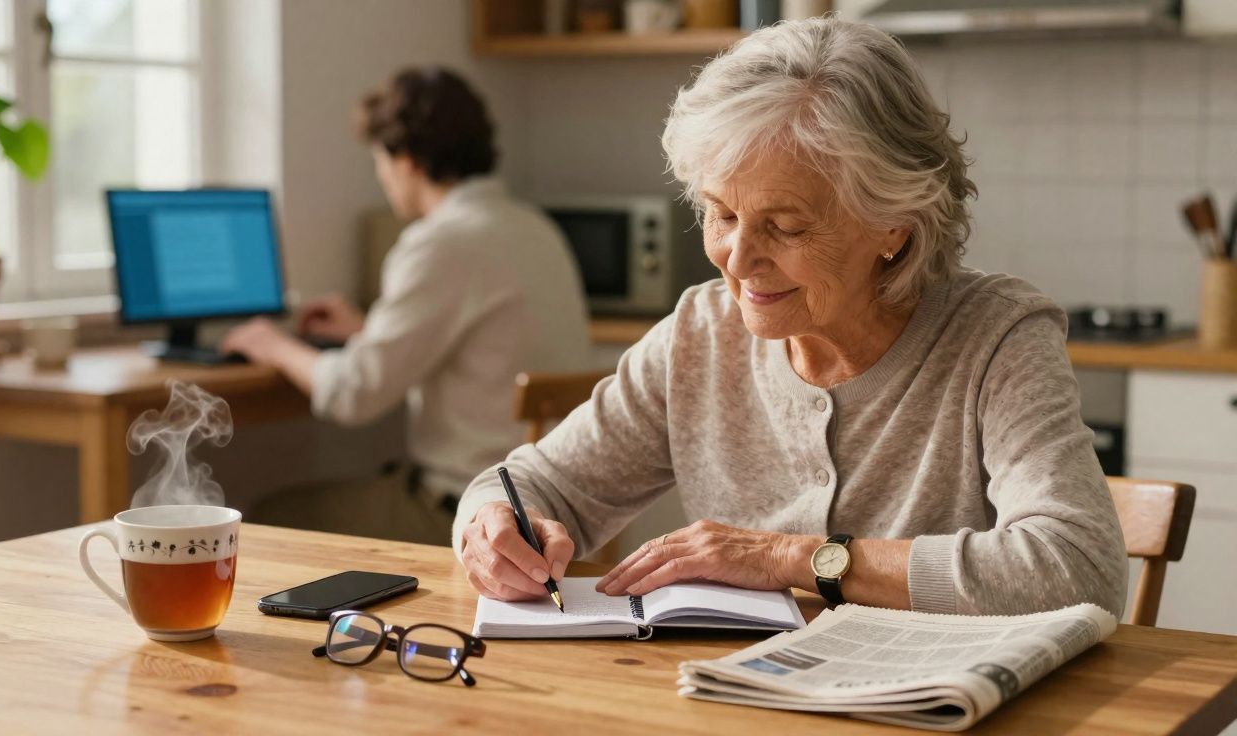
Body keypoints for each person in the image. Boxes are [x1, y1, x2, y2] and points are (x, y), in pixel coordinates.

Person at [452, 18, 1128, 617]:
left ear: (893, 225)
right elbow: (534, 484)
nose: (738, 257)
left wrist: (790, 557)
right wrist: (492, 527)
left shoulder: (997, 338)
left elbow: (1077, 569)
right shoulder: (700, 335)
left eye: (786, 226)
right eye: (722, 214)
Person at [223, 67, 590, 544]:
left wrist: (272, 345)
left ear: (408, 160)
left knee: (268, 514)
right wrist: (368, 333)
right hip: (554, 507)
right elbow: (476, 352)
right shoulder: (533, 227)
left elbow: (353, 393)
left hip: (471, 513)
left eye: (380, 159)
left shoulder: (441, 241)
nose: (381, 176)